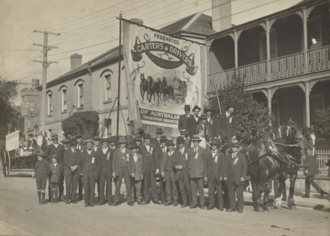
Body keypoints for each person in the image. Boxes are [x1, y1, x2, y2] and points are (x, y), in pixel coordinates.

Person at [225, 139, 247, 213]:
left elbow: (245, 167)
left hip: (239, 178)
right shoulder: (228, 156)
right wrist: (225, 175)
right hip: (230, 178)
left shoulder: (241, 156)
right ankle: (232, 207)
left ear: (238, 148)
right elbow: (225, 167)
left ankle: (240, 208)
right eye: (232, 147)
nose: (234, 148)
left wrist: (243, 176)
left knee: (239, 194)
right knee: (230, 193)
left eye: (235, 147)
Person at [205, 138, 226, 211]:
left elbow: (223, 166)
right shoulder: (207, 154)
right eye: (212, 145)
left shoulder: (221, 154)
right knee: (210, 191)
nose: (213, 146)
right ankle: (211, 204)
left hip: (218, 176)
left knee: (219, 191)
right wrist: (205, 176)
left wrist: (222, 175)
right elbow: (205, 165)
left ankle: (220, 205)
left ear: (217, 146)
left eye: (215, 145)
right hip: (210, 175)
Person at [139, 134, 160, 204]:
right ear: (144, 140)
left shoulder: (153, 147)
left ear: (150, 140)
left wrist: (157, 167)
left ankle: (155, 199)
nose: (147, 141)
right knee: (146, 184)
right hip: (145, 168)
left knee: (154, 184)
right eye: (146, 139)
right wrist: (140, 170)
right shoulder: (141, 147)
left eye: (148, 139)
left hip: (152, 168)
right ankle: (146, 199)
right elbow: (140, 159)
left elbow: (156, 157)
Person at [113, 137, 134, 206]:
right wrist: (113, 171)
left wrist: (132, 171)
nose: (122, 144)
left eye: (124, 143)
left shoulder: (129, 151)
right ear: (119, 144)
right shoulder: (116, 151)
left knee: (128, 185)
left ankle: (129, 200)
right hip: (119, 169)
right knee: (118, 185)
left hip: (127, 169)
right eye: (121, 143)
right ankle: (116, 200)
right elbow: (114, 162)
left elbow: (132, 162)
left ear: (125, 144)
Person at [78, 140, 100, 207]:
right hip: (85, 172)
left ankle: (91, 201)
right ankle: (86, 202)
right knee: (86, 187)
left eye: (90, 144)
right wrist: (80, 172)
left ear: (92, 145)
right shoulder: (82, 153)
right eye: (88, 144)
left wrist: (96, 173)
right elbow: (79, 163)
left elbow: (97, 164)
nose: (89, 145)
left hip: (92, 172)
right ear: (86, 145)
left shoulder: (95, 153)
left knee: (92, 187)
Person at [188, 135, 207, 209]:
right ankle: (194, 203)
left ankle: (202, 204)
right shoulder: (190, 150)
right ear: (193, 142)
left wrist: (205, 174)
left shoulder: (203, 150)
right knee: (193, 189)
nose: (195, 143)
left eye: (197, 141)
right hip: (192, 172)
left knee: (201, 189)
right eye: (194, 141)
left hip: (200, 172)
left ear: (199, 142)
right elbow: (188, 161)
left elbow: (205, 163)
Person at [45, 134, 65, 201]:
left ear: (58, 139)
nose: (55, 140)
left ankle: (60, 196)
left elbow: (64, 157)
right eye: (54, 139)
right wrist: (49, 165)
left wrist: (62, 165)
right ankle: (51, 197)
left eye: (56, 139)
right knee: (51, 182)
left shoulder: (61, 147)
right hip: (52, 168)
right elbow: (46, 157)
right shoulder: (49, 147)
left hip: (59, 167)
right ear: (52, 140)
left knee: (61, 182)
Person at [173, 136, 191, 208]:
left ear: (183, 143)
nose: (180, 144)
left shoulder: (188, 151)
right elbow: (173, 163)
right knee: (182, 189)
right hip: (179, 173)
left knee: (188, 188)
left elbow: (190, 162)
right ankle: (185, 202)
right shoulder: (176, 153)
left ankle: (191, 202)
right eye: (179, 143)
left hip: (186, 173)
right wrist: (177, 167)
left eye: (181, 143)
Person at [161, 139, 178, 206]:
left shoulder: (176, 153)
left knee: (174, 186)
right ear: (167, 147)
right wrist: (162, 171)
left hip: (173, 172)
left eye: (171, 146)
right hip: (166, 172)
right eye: (169, 146)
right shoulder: (165, 154)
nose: (170, 147)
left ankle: (175, 200)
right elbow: (162, 164)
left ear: (173, 147)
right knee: (167, 187)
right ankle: (169, 200)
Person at [97, 137, 113, 206]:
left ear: (108, 144)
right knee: (101, 185)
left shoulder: (111, 150)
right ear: (102, 144)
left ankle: (109, 199)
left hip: (109, 170)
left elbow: (113, 161)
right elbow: (97, 161)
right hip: (101, 170)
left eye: (106, 143)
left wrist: (113, 171)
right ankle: (101, 200)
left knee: (109, 185)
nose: (105, 144)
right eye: (103, 143)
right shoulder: (98, 150)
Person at [63, 139, 79, 204]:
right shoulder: (67, 151)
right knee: (68, 184)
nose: (74, 146)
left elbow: (79, 160)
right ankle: (67, 198)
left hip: (76, 170)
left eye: (75, 145)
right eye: (73, 145)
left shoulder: (78, 151)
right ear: (70, 145)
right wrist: (71, 166)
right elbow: (65, 160)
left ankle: (73, 197)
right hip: (69, 170)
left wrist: (76, 166)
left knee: (75, 185)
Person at [157, 135, 167, 204]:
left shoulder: (169, 149)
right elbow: (157, 160)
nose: (163, 143)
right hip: (161, 169)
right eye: (162, 142)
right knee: (162, 184)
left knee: (168, 185)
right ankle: (163, 199)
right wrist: (158, 168)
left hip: (168, 169)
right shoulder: (159, 150)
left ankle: (168, 199)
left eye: (164, 142)